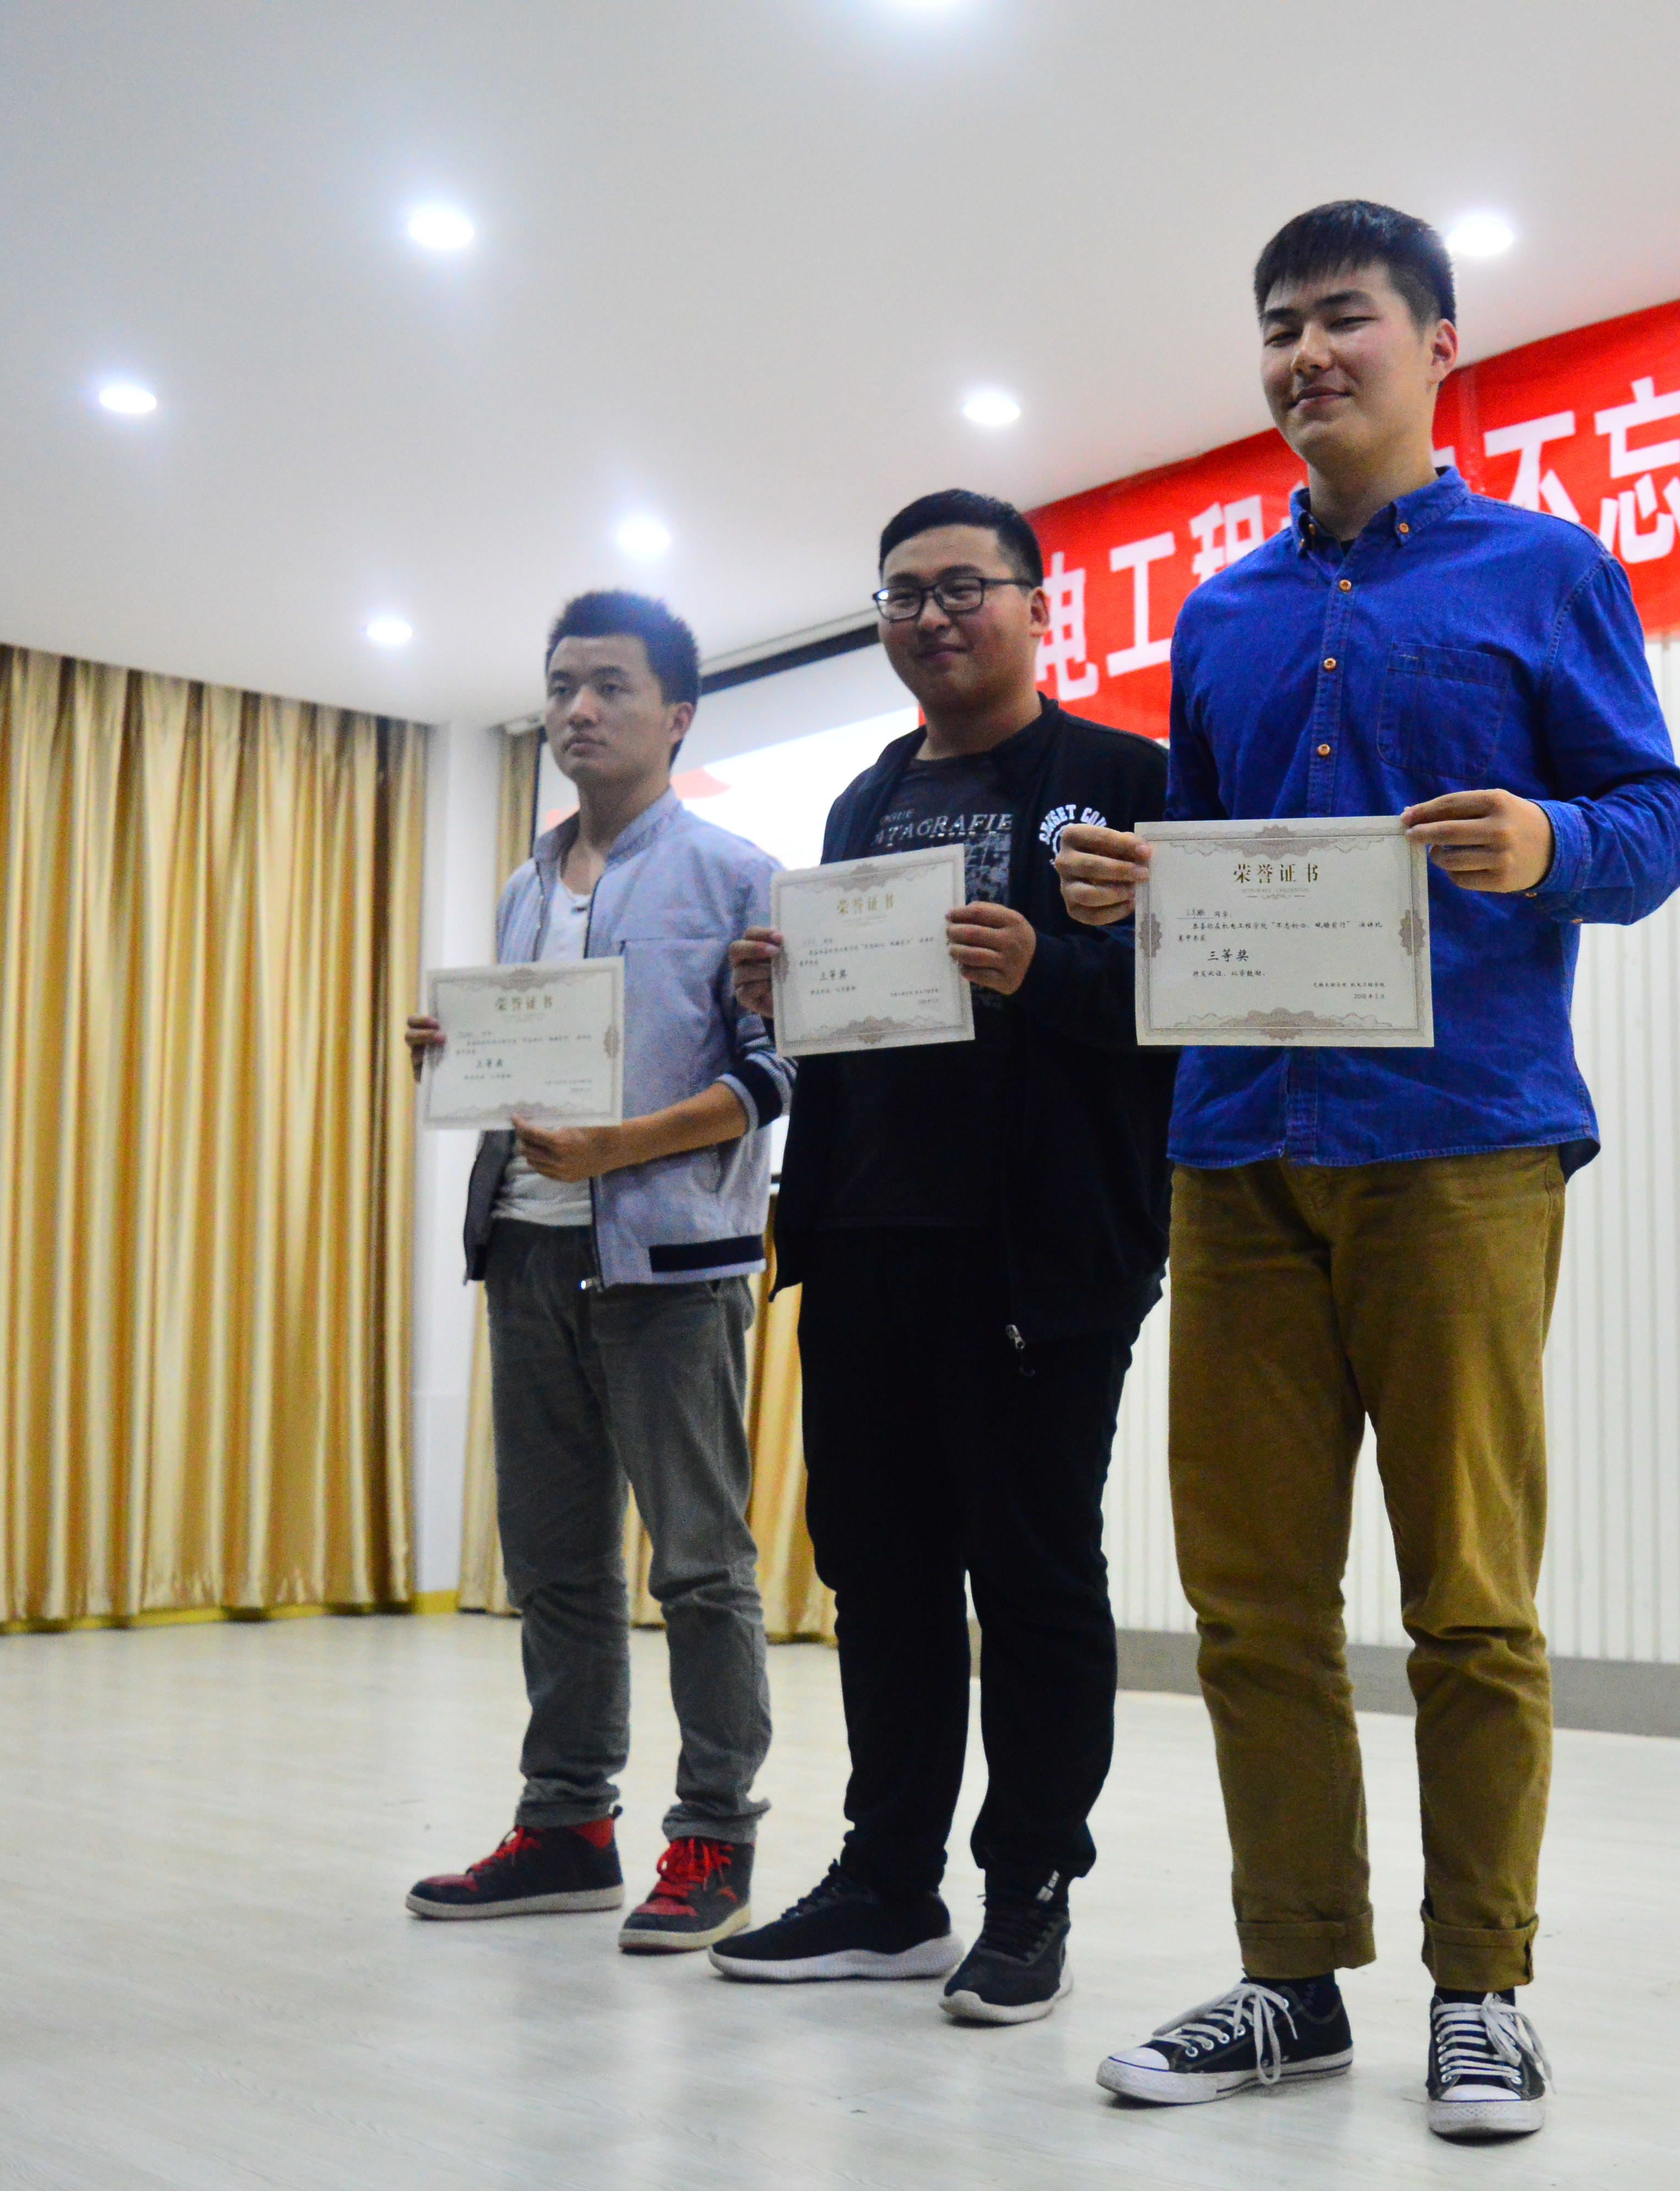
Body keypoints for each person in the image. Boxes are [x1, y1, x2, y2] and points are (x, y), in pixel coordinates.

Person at [1056, 202, 1680, 2143]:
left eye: (1343, 317)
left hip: (1461, 1142)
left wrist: (1549, 841)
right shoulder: (1222, 616)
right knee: (1250, 1601)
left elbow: (1655, 823)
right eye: (1278, 327)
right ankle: (1291, 1980)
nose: (1304, 354)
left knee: (1468, 1598)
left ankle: (1481, 1992)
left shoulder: (1547, 573)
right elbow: (1214, 859)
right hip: (1237, 1144)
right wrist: (1129, 889)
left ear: (1437, 344)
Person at [707, 491, 1174, 2026]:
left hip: (1039, 1252)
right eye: (902, 594)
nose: (931, 615)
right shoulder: (861, 801)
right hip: (862, 1236)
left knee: (1033, 1578)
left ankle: (1027, 1888)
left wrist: (1050, 971)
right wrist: (782, 990)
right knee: (881, 1573)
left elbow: (1195, 1009)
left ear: (1039, 603)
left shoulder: (1126, 779)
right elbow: (858, 1021)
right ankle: (889, 1882)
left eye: (964, 585)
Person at [402, 590, 793, 1955]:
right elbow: (530, 1061)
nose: (577, 709)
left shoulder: (736, 872)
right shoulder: (525, 882)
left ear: (675, 716)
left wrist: (618, 1145)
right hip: (525, 1246)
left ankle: (715, 1835)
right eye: (562, 684)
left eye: (609, 686)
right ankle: (566, 1824)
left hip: (668, 1262)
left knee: (699, 1562)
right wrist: (459, 1054)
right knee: (556, 1561)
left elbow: (775, 1074)